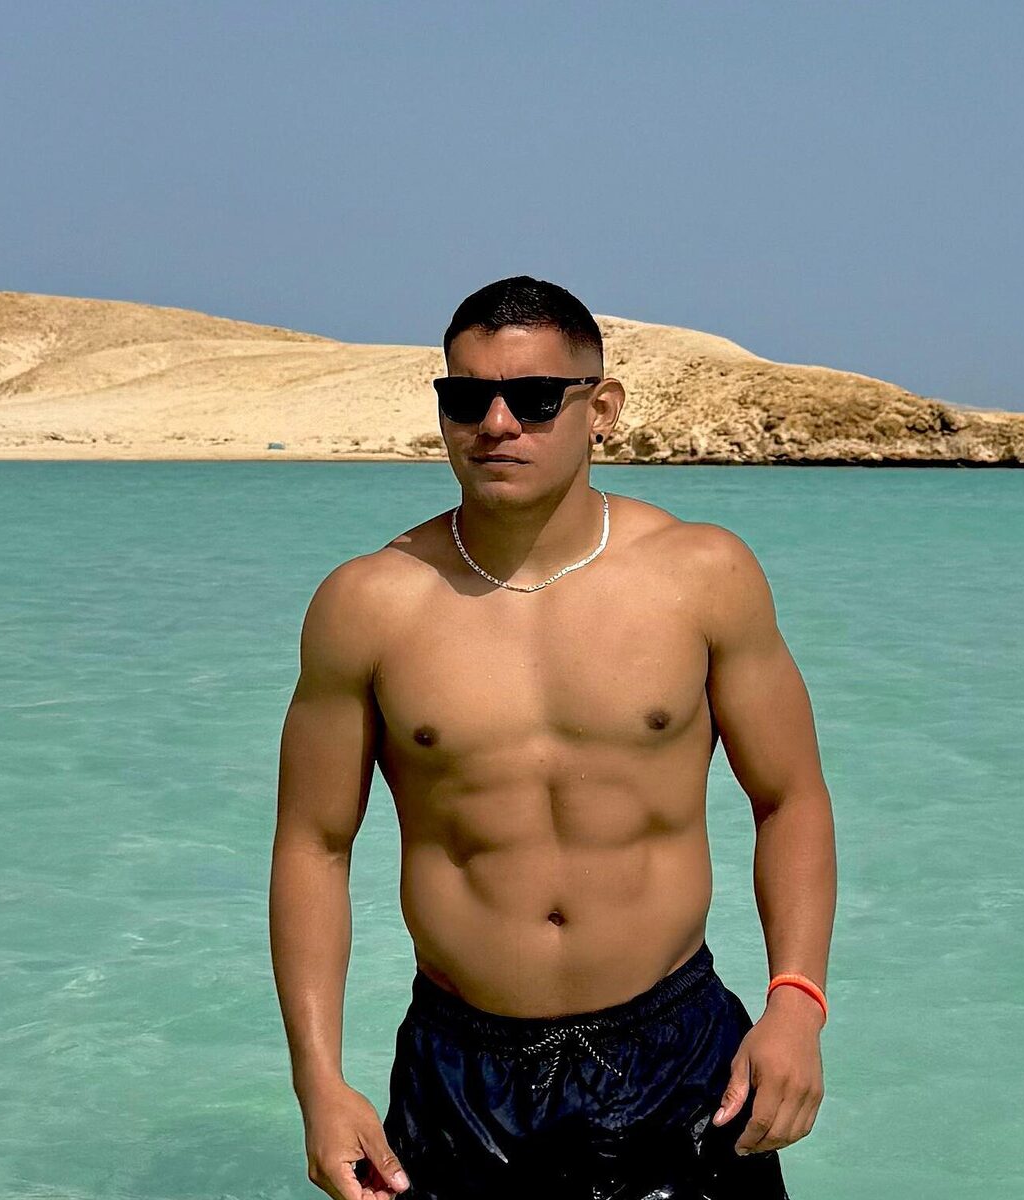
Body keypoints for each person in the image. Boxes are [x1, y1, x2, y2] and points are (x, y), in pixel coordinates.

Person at [270, 276, 838, 1199]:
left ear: (601, 409)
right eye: (465, 398)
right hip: (462, 1071)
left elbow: (790, 798)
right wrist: (318, 1083)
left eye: (534, 398)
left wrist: (797, 1002)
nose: (496, 423)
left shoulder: (703, 576)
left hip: (678, 1055)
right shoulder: (367, 604)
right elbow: (313, 845)